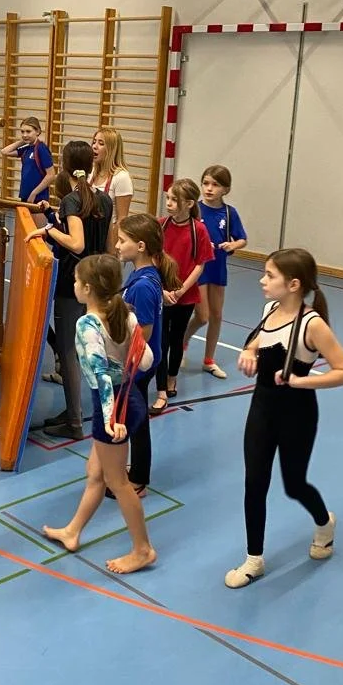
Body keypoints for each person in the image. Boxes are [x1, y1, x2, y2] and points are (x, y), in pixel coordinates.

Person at [226, 248, 343, 589]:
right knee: (254, 482)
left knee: (294, 484)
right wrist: (248, 352)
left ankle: (324, 522)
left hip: (297, 413)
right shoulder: (269, 310)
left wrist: (300, 381)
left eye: (270, 275)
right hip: (261, 408)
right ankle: (254, 559)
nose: (262, 280)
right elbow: (257, 341)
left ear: (294, 284)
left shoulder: (312, 324)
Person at [42, 255, 157, 574]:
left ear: (88, 288)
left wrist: (110, 419)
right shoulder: (125, 314)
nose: (74, 285)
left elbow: (102, 376)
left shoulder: (87, 324)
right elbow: (147, 360)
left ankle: (143, 549)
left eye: (76, 281)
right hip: (129, 399)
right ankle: (73, 531)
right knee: (96, 472)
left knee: (118, 482)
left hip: (112, 407)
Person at [26, 141, 113, 440]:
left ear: (65, 167)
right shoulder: (104, 200)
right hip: (96, 280)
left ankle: (74, 421)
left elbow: (76, 243)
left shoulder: (72, 200)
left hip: (72, 283)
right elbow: (105, 245)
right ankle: (76, 411)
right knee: (85, 348)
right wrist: (55, 217)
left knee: (68, 351)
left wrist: (50, 229)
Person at [113, 213, 181, 498]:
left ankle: (138, 479)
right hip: (139, 363)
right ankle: (137, 470)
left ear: (140, 246)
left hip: (136, 365)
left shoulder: (142, 285)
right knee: (136, 417)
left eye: (122, 240)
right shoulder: (143, 275)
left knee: (136, 420)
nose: (117, 245)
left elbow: (144, 332)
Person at [150, 178, 214, 415]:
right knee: (161, 341)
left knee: (176, 339)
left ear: (189, 204)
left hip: (184, 296)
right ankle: (161, 391)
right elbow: (153, 259)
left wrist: (181, 290)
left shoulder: (199, 230)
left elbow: (199, 264)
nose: (168, 203)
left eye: (174, 200)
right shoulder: (161, 225)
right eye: (167, 198)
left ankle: (171, 378)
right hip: (162, 293)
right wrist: (162, 290)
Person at [183, 165, 247, 379]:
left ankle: (209, 360)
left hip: (218, 268)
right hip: (199, 269)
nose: (209, 188)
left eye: (215, 185)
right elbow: (186, 235)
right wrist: (201, 244)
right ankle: (182, 342)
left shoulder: (229, 213)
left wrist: (233, 245)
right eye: (206, 183)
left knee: (217, 315)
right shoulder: (195, 210)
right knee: (203, 316)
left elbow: (242, 239)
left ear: (225, 189)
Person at [89, 128, 134, 254]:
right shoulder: (91, 173)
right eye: (94, 142)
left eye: (101, 143)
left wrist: (112, 250)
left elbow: (121, 219)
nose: (94, 146)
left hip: (107, 240)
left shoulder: (121, 177)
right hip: (90, 238)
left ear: (111, 149)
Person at [1, 117, 55, 206]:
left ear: (37, 131)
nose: (25, 134)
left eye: (28, 131)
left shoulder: (41, 149)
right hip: (25, 195)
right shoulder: (26, 149)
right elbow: (4, 151)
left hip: (38, 197)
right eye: (22, 132)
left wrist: (34, 193)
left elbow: (51, 175)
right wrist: (22, 141)